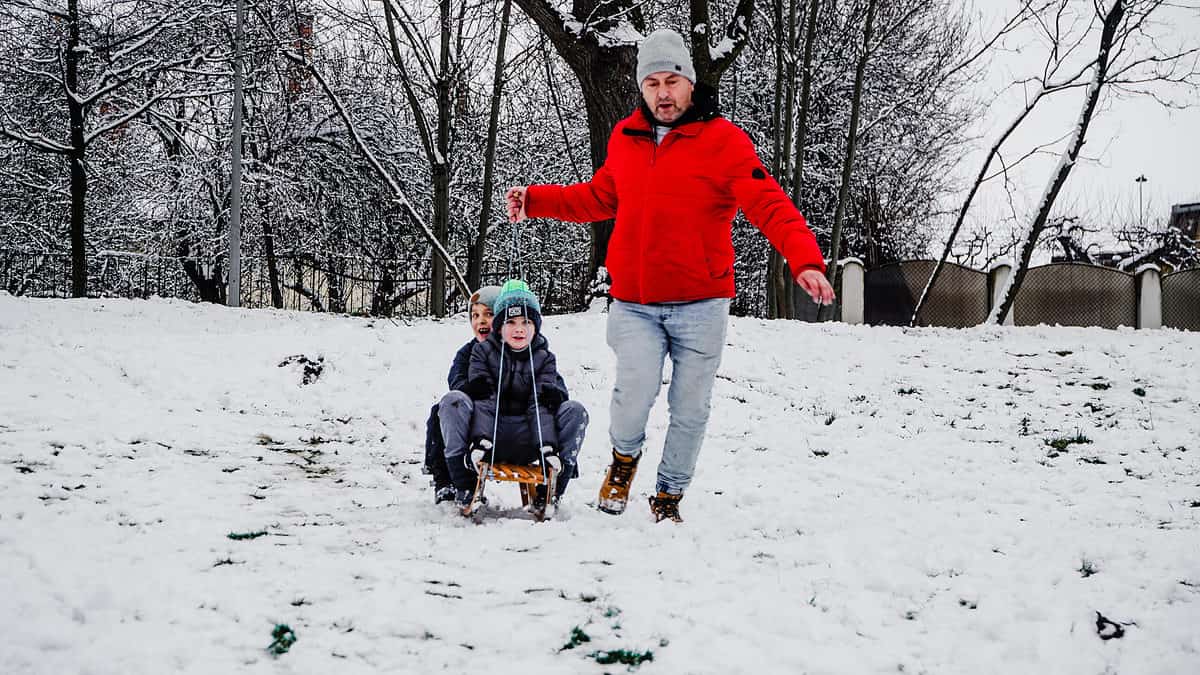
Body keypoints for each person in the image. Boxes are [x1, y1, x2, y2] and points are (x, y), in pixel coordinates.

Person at [504, 28, 836, 522]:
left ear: (690, 83)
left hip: (702, 302)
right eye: (653, 83)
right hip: (635, 300)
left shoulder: (723, 141)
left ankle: (669, 494)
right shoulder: (626, 138)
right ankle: (623, 460)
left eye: (672, 82)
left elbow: (769, 203)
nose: (663, 93)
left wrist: (805, 258)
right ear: (642, 87)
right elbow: (600, 198)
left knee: (690, 407)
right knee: (633, 392)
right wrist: (538, 200)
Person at [438, 280, 588, 513]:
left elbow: (542, 406)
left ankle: (552, 491)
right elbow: (480, 398)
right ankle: (462, 484)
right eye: (510, 322)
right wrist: (471, 391)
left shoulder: (544, 358)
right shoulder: (479, 353)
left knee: (574, 410)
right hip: (487, 437)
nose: (519, 329)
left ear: (536, 327)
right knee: (449, 403)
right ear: (499, 328)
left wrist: (547, 444)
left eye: (526, 322)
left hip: (530, 438)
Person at [423, 285, 502, 504]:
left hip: (499, 420)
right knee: (440, 412)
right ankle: (443, 478)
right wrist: (469, 388)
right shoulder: (467, 352)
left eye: (489, 314)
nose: (481, 321)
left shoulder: (511, 350)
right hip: (469, 415)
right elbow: (455, 379)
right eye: (475, 316)